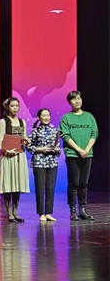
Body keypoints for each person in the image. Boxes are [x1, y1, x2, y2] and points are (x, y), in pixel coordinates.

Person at [59, 91, 98, 221]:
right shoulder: (66, 118)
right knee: (74, 183)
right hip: (73, 154)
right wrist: (79, 149)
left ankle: (82, 209)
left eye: (79, 98)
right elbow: (65, 136)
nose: (77, 101)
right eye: (74, 99)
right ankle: (73, 210)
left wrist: (86, 149)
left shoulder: (89, 116)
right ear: (69, 102)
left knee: (84, 183)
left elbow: (94, 133)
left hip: (87, 154)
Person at [0, 97, 30, 222]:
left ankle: (16, 212)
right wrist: (6, 151)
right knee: (8, 184)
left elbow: (23, 136)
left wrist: (26, 140)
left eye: (17, 106)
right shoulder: (3, 122)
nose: (15, 108)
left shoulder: (22, 122)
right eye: (12, 106)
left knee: (17, 184)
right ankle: (9, 212)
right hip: (8, 156)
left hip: (19, 156)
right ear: (7, 107)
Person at [27, 108, 61, 221]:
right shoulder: (35, 131)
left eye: (48, 115)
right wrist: (40, 149)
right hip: (39, 162)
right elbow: (28, 146)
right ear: (39, 117)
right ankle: (41, 213)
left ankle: (48, 212)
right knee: (40, 187)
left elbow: (58, 147)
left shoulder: (54, 130)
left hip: (52, 162)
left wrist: (56, 149)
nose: (46, 118)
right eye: (44, 115)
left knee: (51, 187)